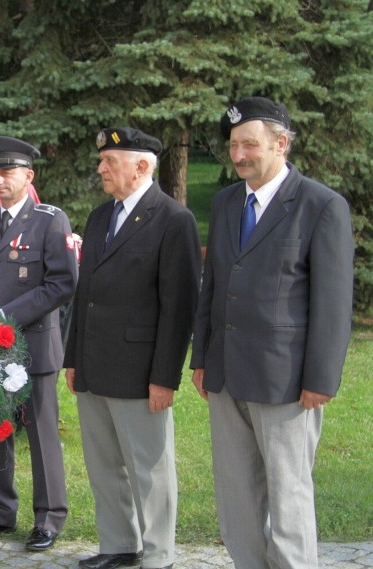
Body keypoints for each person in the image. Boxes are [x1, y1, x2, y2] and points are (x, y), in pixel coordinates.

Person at [190, 97, 354, 569]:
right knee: (236, 496)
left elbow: (332, 302)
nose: (238, 155)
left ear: (281, 144)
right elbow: (213, 286)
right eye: (233, 146)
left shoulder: (321, 205)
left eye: (249, 145)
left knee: (288, 496)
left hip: (285, 381)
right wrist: (201, 357)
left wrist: (320, 379)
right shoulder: (224, 204)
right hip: (224, 374)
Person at [64, 128, 201, 569]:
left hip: (141, 372)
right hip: (94, 365)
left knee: (150, 472)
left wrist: (165, 377)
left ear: (142, 166)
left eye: (110, 160)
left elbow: (179, 307)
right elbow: (85, 292)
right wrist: (72, 358)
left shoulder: (173, 219)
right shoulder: (101, 216)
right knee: (104, 466)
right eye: (102, 160)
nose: (101, 167)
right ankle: (119, 545)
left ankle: (159, 555)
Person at [0, 136, 77, 552]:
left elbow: (62, 283)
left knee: (41, 432)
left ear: (29, 175)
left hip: (34, 346)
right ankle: (0, 510)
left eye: (8, 172)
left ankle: (48, 517)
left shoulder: (49, 220)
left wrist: (5, 317)